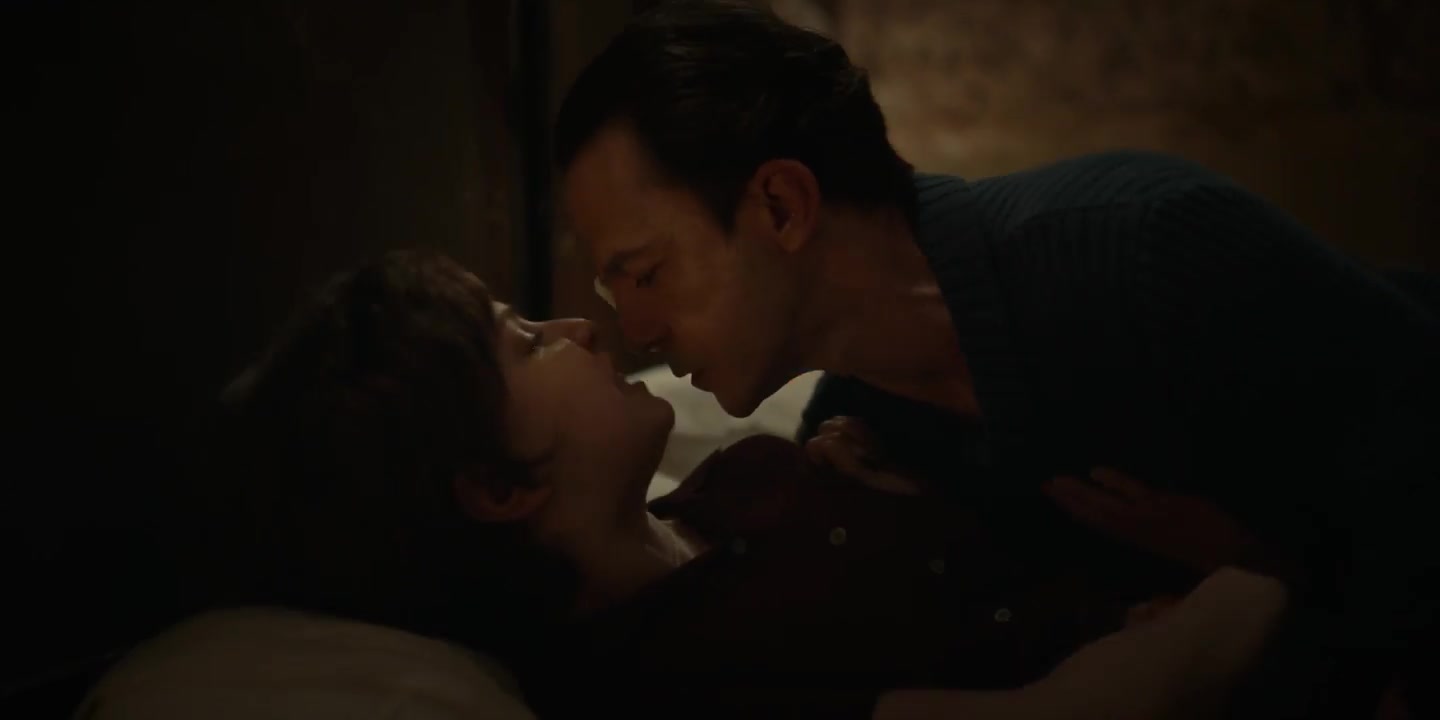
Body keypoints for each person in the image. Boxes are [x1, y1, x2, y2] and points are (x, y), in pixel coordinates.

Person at [554, 1, 1440, 716]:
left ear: (782, 206)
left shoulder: (1142, 254)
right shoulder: (860, 440)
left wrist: (1264, 558)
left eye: (646, 274)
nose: (638, 328)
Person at [82, 250, 1295, 720]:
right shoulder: (677, 675)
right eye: (526, 343)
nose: (580, 326)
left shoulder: (729, 489)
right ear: (497, 486)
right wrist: (1281, 567)